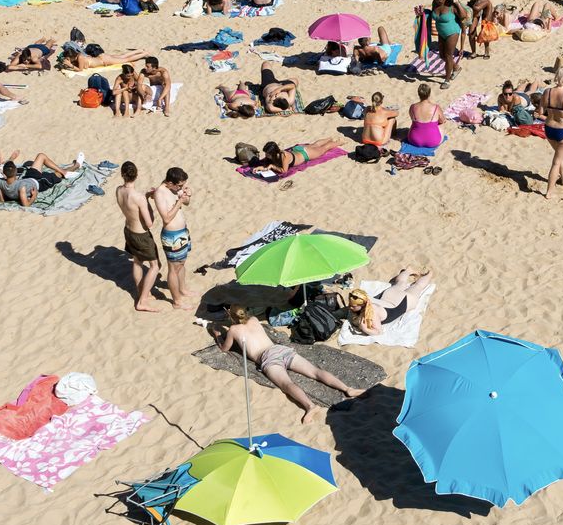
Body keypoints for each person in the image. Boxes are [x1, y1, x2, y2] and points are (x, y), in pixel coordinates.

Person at [212, 306, 365, 424]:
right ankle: (348, 389)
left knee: (287, 384)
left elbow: (225, 348)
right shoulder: (253, 320)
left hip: (268, 358)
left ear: (230, 316)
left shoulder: (233, 329)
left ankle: (310, 406)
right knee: (315, 371)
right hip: (280, 349)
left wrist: (218, 336)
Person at [116, 161, 161, 312]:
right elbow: (149, 223)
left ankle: (143, 292)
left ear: (122, 175)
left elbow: (131, 209)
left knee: (137, 262)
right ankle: (142, 300)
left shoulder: (118, 191)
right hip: (141, 234)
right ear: (137, 175)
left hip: (128, 230)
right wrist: (147, 203)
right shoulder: (138, 197)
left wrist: (145, 198)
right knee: (155, 266)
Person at [153, 167, 196, 310]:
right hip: (172, 236)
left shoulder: (174, 189)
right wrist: (178, 202)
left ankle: (182, 289)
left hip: (182, 232)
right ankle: (177, 301)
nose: (181, 187)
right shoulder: (160, 193)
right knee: (173, 268)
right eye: (179, 185)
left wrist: (187, 196)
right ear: (170, 182)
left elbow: (186, 203)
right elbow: (166, 218)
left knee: (182, 263)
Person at [535, 66, 563, 197]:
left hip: (549, 130)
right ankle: (549, 191)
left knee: (559, 156)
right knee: (556, 162)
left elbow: (541, 112)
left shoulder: (547, 92)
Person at [348, 269, 433, 335]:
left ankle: (429, 274)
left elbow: (379, 331)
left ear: (362, 304)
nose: (350, 307)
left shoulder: (372, 313)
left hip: (404, 301)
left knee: (418, 286)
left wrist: (365, 329)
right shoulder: (365, 298)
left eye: (353, 306)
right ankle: (408, 271)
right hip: (390, 296)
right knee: (401, 282)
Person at [0, 154, 82, 207]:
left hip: (28, 178)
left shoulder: (0, 183)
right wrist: (34, 196)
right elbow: (26, 205)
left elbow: (2, 200)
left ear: (4, 174)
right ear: (15, 172)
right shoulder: (22, 188)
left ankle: (62, 170)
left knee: (41, 156)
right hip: (40, 183)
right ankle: (77, 165)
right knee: (58, 174)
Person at [253, 138, 345, 175]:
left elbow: (284, 171)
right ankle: (329, 138)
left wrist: (272, 166)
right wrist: (260, 168)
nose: (265, 155)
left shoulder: (283, 156)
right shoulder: (274, 155)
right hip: (297, 150)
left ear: (272, 153)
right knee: (314, 145)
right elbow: (266, 164)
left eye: (267, 154)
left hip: (305, 153)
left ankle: (340, 142)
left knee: (324, 148)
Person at [431, 0, 461, 88]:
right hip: (441, 33)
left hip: (452, 32)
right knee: (442, 55)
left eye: (440, 0)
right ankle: (456, 67)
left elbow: (463, 16)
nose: (438, 1)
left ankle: (447, 80)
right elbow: (432, 14)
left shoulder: (451, 4)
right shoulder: (434, 3)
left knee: (448, 55)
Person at [406, 83, 444, 147]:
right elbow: (442, 121)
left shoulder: (412, 107)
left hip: (414, 140)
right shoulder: (436, 107)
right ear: (429, 94)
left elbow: (411, 118)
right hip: (433, 141)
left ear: (418, 94)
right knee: (441, 124)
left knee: (414, 123)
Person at [60, 47, 148, 71]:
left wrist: (70, 65)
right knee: (122, 56)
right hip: (102, 57)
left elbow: (80, 69)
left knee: (126, 59)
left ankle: (144, 53)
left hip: (104, 61)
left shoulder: (80, 58)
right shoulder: (79, 56)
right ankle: (139, 50)